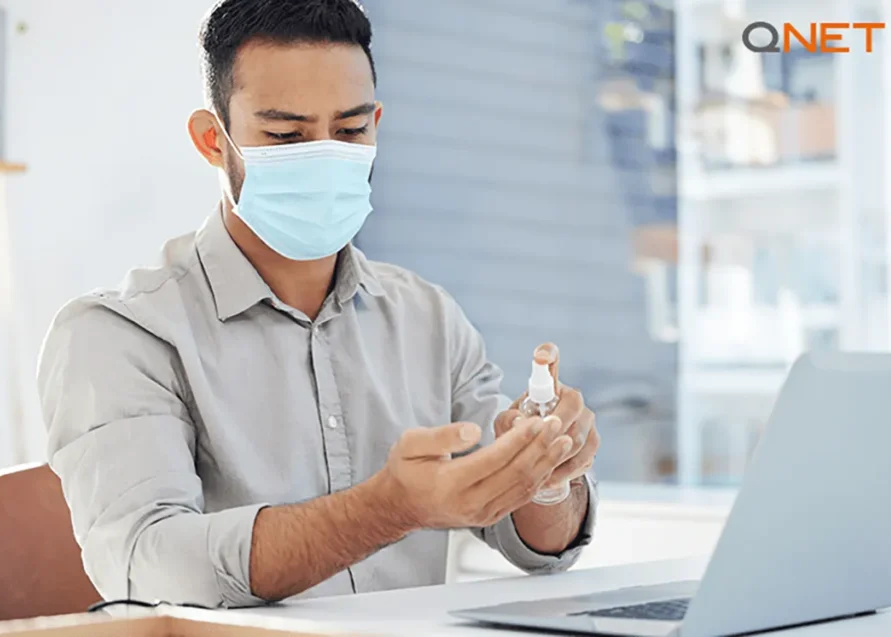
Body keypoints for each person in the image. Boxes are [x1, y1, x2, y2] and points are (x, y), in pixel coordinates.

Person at [38, 0, 600, 609]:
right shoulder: (121, 335)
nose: (327, 155)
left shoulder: (428, 318)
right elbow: (152, 566)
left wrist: (546, 476)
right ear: (211, 140)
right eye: (286, 136)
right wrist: (385, 509)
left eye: (351, 130)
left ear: (376, 125)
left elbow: (533, 540)